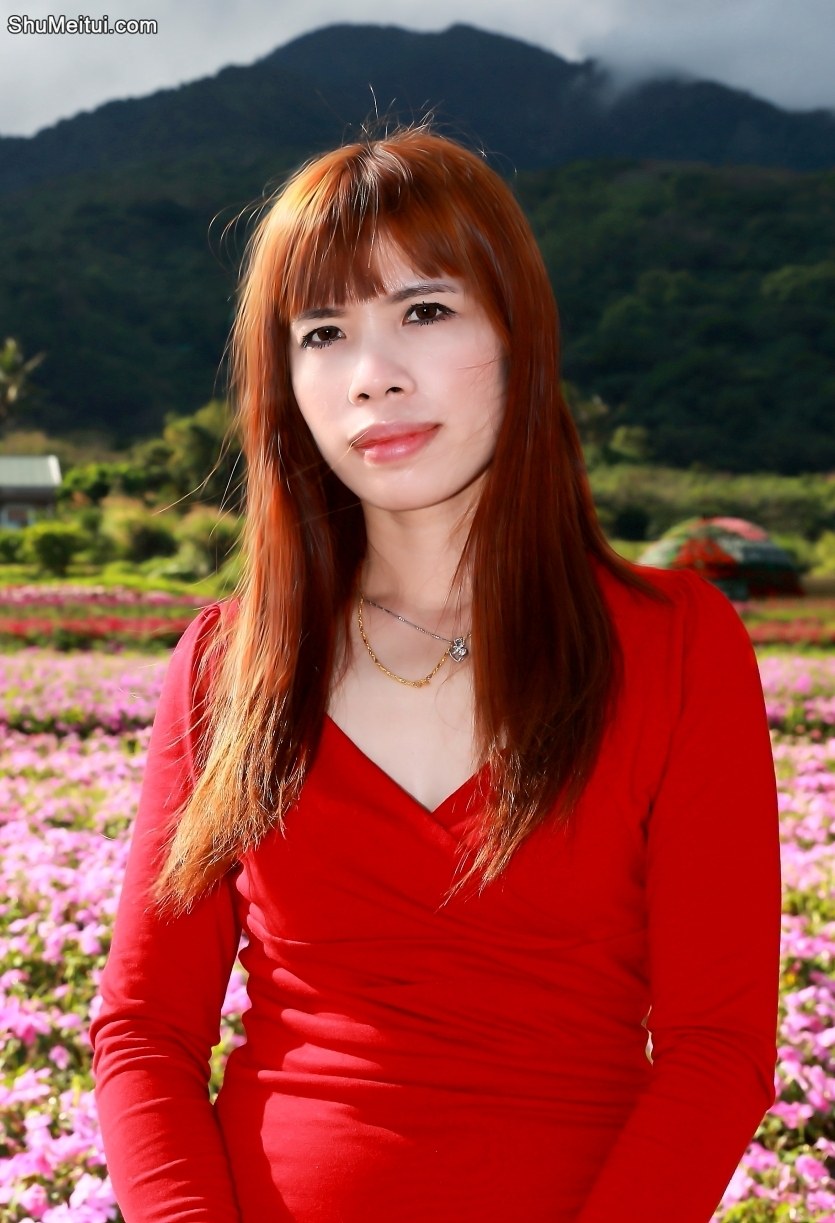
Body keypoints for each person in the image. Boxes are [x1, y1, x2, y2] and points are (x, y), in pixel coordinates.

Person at [90, 126, 782, 1223]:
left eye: (423, 311)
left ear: (516, 331)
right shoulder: (230, 666)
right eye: (324, 332)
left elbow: (718, 1042)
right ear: (287, 380)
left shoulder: (677, 644)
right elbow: (144, 1030)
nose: (374, 376)